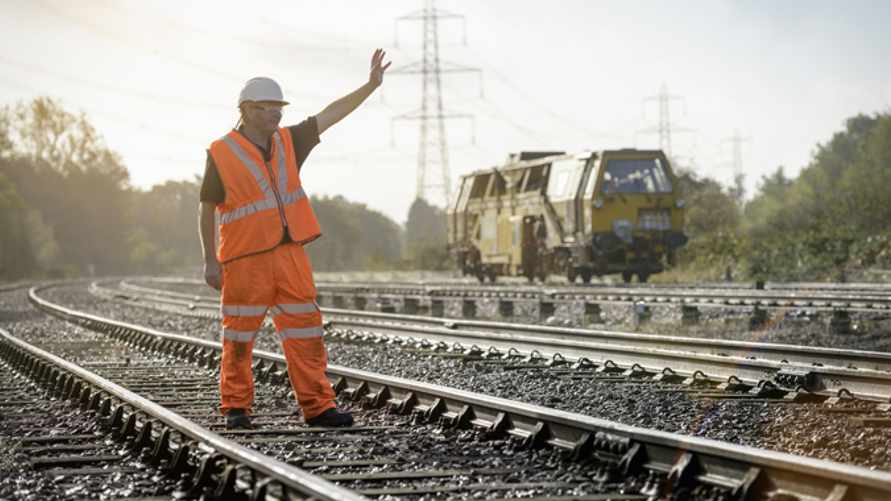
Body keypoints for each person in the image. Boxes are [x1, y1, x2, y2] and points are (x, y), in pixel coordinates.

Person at [198, 49, 391, 429]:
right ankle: (236, 407)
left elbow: (331, 114)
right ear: (247, 110)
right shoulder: (222, 152)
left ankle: (318, 408)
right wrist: (209, 259)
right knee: (238, 338)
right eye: (269, 107)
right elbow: (206, 208)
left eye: (279, 107)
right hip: (244, 259)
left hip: (290, 256)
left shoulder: (290, 141)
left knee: (307, 333)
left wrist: (370, 86)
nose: (277, 113)